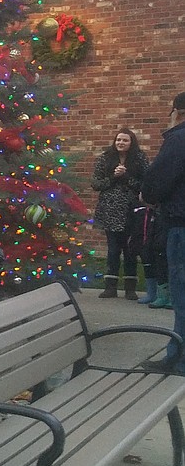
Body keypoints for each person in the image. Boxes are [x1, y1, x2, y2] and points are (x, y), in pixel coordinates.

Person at [140, 92, 185, 374]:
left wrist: (149, 196)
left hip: (181, 225)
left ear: (178, 111)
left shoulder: (179, 138)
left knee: (182, 294)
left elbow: (155, 181)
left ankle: (179, 358)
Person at [91, 128, 148, 299]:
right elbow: (96, 183)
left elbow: (146, 183)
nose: (121, 143)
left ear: (131, 143)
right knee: (113, 249)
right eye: (118, 140)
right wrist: (114, 177)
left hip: (132, 211)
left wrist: (126, 177)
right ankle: (110, 286)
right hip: (110, 210)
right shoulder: (105, 158)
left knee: (131, 248)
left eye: (125, 140)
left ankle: (130, 288)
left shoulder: (140, 159)